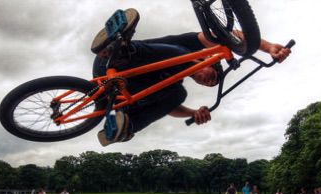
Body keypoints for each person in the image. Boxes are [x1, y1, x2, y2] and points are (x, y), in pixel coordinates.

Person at [92, 9, 291, 146]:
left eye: (210, 84)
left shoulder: (175, 84)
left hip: (115, 94)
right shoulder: (187, 46)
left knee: (178, 94)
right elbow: (226, 36)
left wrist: (193, 113)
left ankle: (124, 127)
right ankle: (121, 49)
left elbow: (169, 108)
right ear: (208, 59)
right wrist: (268, 47)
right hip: (109, 62)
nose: (208, 82)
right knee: (181, 54)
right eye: (212, 76)